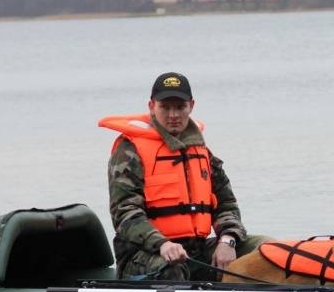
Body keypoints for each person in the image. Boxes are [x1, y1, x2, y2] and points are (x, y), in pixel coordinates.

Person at [99, 72, 262, 280]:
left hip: (197, 251)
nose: (173, 115)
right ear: (151, 106)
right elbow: (125, 214)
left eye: (180, 107)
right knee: (171, 268)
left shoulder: (202, 152)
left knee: (263, 249)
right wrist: (162, 243)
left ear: (191, 106)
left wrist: (227, 240)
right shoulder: (129, 151)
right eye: (165, 107)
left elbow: (226, 204)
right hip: (145, 254)